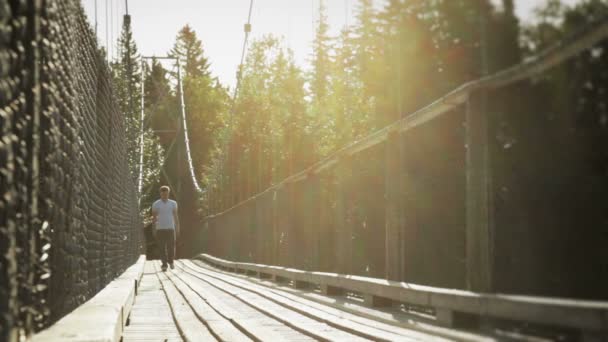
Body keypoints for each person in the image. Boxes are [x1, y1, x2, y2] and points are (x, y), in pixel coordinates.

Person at [151, 186, 179, 271]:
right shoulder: (156, 204)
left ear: (168, 193)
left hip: (170, 228)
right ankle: (164, 264)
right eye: (163, 194)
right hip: (160, 229)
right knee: (161, 248)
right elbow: (154, 218)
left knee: (171, 247)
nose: (165, 196)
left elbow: (175, 216)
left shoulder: (173, 203)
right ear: (160, 193)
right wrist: (154, 228)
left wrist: (177, 226)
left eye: (166, 194)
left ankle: (171, 261)